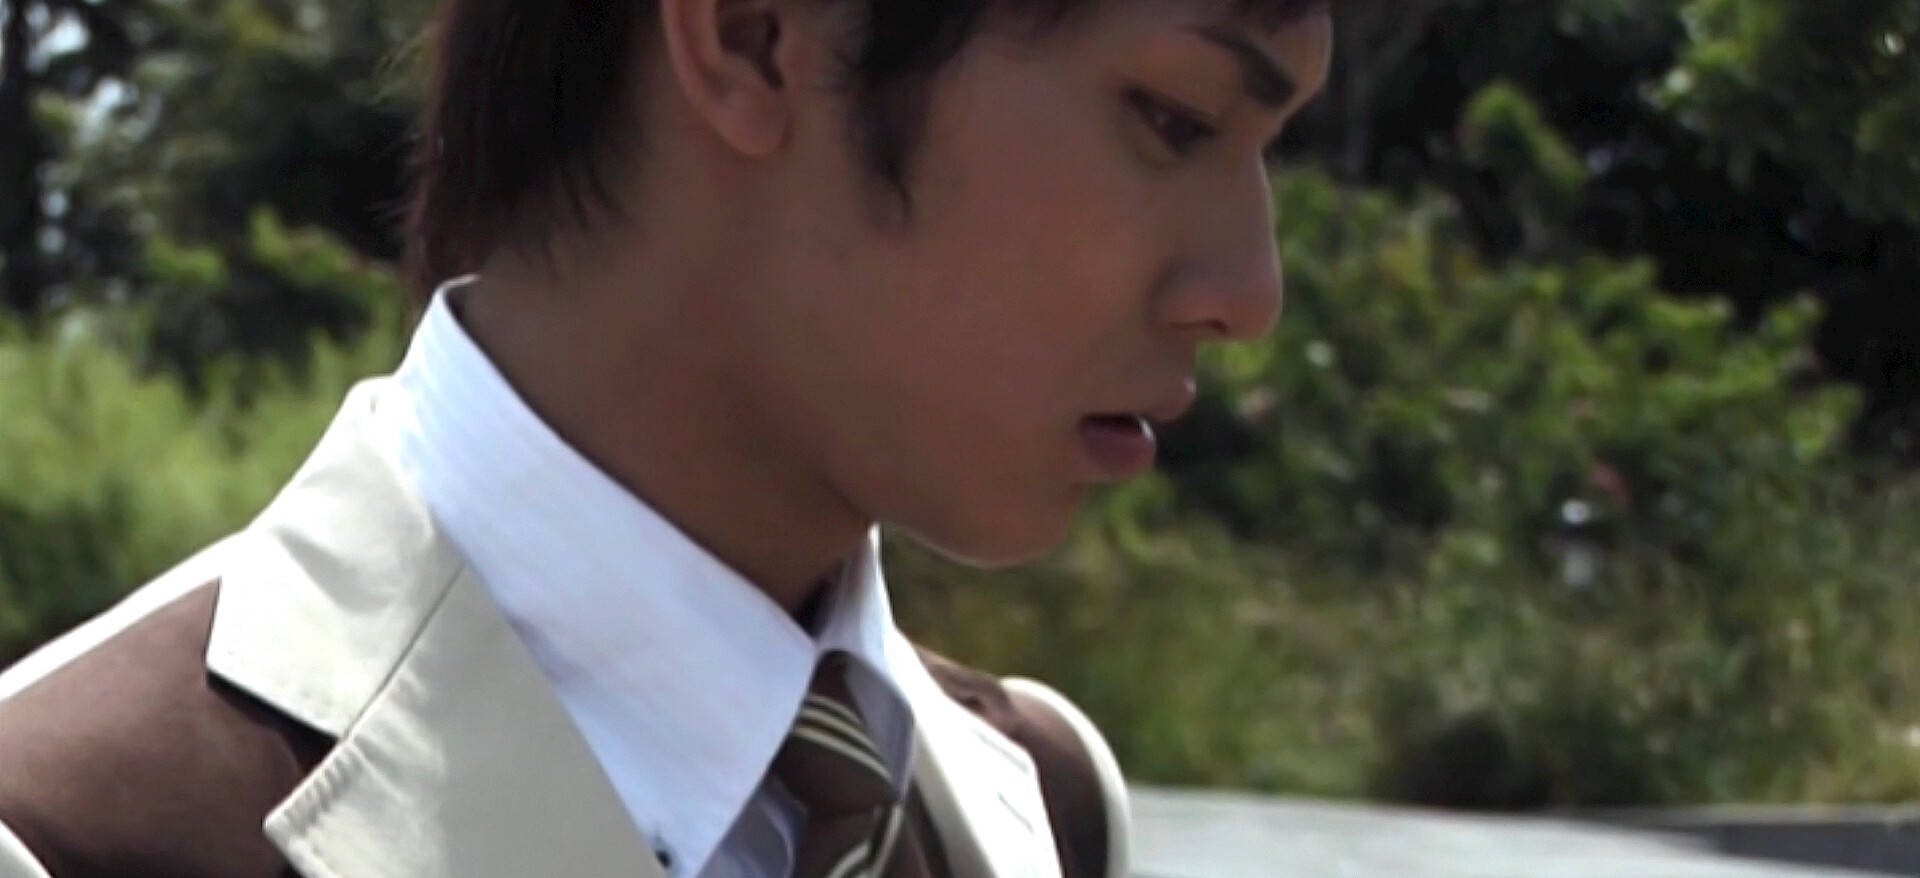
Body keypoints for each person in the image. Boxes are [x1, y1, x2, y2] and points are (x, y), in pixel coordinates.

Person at [0, 0, 1331, 876]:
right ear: (754, 39)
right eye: (1175, 120)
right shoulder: (79, 833)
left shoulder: (1042, 802)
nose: (1251, 292)